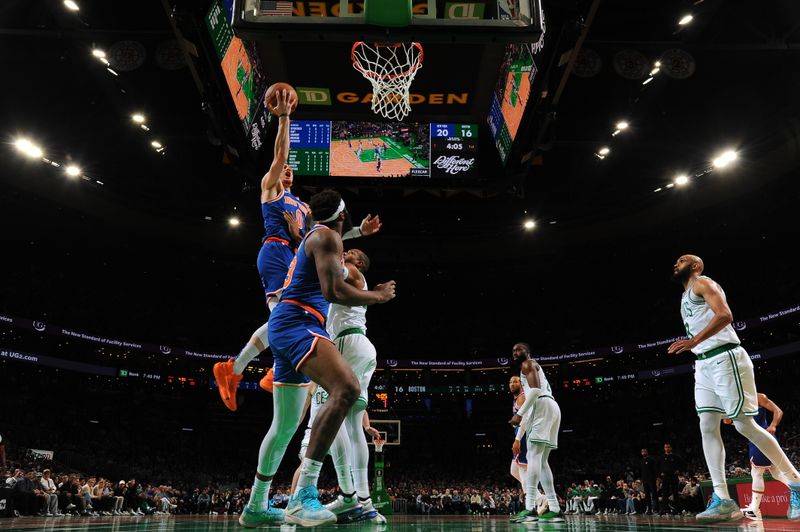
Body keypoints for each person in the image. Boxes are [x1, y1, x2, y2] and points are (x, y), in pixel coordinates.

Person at [214, 90, 381, 411]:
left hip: (294, 258)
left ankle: (258, 366)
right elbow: (278, 158)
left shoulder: (304, 206)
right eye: (283, 166)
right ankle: (239, 368)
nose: (287, 169)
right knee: (285, 314)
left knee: (295, 313)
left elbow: (323, 237)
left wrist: (359, 231)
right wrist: (284, 118)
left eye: (291, 168)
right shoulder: (272, 189)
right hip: (275, 252)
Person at [238, 189, 396, 528]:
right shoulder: (327, 238)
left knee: (283, 427)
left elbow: (324, 243)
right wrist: (378, 296)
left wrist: (355, 234)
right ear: (342, 216)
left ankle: (256, 504)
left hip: (285, 324)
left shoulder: (315, 234)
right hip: (300, 323)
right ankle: (304, 493)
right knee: (347, 389)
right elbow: (334, 291)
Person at [668, 254, 800, 521]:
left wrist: (694, 340)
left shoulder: (703, 283)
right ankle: (723, 500)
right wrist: (695, 344)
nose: (676, 263)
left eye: (682, 260)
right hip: (703, 364)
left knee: (743, 425)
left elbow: (725, 315)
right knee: (706, 424)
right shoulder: (683, 297)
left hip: (725, 356)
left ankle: (795, 482)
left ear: (695, 265)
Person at [508, 342, 564, 523]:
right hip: (551, 407)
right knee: (542, 462)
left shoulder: (528, 364)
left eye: (519, 349)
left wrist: (519, 414)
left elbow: (536, 391)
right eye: (514, 350)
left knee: (533, 457)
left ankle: (530, 508)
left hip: (542, 406)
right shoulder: (530, 367)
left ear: (528, 352)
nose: (516, 352)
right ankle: (555, 509)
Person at [726, 392, 793, 521]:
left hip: (762, 438)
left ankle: (754, 509)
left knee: (757, 473)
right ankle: (797, 488)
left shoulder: (759, 397)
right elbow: (727, 421)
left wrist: (773, 425)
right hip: (755, 440)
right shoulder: (735, 401)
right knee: (777, 474)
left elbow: (778, 411)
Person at [508, 376, 528, 496]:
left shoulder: (522, 398)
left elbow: (525, 420)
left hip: (523, 437)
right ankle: (539, 497)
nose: (512, 384)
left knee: (523, 470)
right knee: (514, 470)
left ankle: (530, 504)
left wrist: (518, 439)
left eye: (515, 381)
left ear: (521, 383)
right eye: (510, 382)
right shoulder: (517, 399)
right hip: (520, 436)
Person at [640, 448, 657, 514]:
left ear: (647, 452)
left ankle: (655, 509)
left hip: (651, 479)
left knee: (654, 494)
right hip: (645, 480)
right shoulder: (641, 461)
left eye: (644, 451)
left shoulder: (651, 460)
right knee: (647, 495)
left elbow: (655, 470)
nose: (643, 452)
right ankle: (649, 509)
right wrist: (642, 480)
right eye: (642, 451)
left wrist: (655, 478)